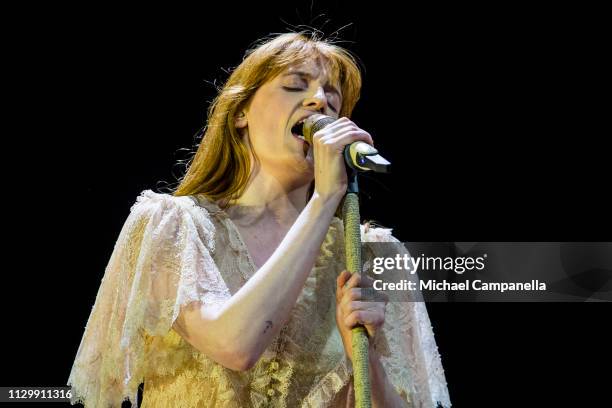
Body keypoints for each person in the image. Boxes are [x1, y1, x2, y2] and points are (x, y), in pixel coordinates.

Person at [67, 31, 451, 408]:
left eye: (332, 99)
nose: (319, 101)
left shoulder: (370, 255)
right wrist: (325, 197)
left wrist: (363, 360)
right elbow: (234, 345)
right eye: (295, 86)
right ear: (240, 113)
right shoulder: (175, 227)